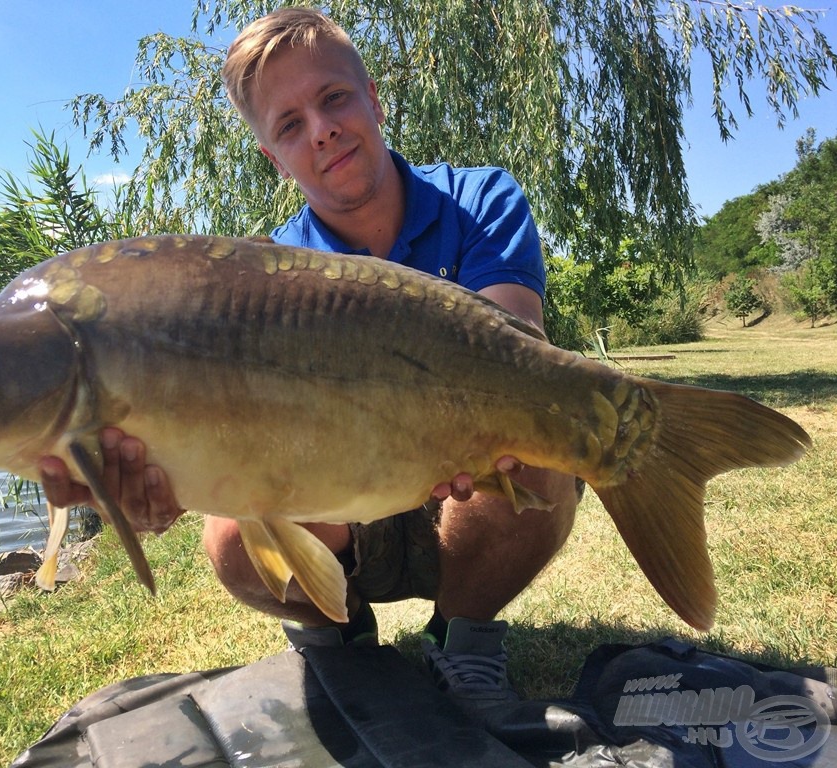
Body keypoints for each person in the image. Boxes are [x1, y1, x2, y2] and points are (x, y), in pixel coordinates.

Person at [38, 6, 580, 720]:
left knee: (536, 439)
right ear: (272, 154)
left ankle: (464, 638)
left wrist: (450, 430)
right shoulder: (265, 279)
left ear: (374, 100)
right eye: (289, 125)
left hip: (467, 481)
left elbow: (520, 354)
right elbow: (239, 432)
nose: (320, 129)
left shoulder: (481, 200)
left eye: (332, 99)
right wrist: (168, 476)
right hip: (345, 499)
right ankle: (341, 644)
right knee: (231, 531)